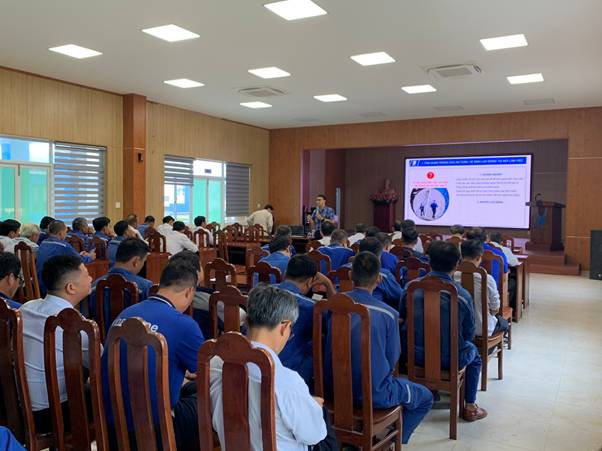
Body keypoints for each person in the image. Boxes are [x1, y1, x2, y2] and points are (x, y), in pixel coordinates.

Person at [325, 252, 433, 444]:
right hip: (375, 394)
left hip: (331, 390)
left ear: (350, 275)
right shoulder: (388, 314)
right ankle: (390, 444)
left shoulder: (330, 307)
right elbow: (392, 360)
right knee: (425, 397)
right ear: (379, 280)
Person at [209, 284, 329, 450]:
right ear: (284, 327)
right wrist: (310, 406)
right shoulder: (287, 381)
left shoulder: (216, 363)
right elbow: (314, 435)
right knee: (324, 424)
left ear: (248, 320)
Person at [101, 262, 204, 451]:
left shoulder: (126, 313)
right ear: (190, 291)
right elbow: (204, 372)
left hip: (113, 423)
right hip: (157, 429)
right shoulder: (184, 324)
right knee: (209, 398)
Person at [402, 241, 487, 422]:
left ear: (429, 262)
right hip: (451, 359)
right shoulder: (461, 295)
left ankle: (430, 389)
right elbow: (469, 333)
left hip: (413, 355)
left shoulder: (411, 288)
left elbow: (403, 318)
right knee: (474, 354)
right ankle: (470, 406)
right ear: (457, 265)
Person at [20, 255, 93, 432]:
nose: (91, 278)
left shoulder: (26, 308)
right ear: (71, 287)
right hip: (52, 414)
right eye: (86, 274)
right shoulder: (76, 325)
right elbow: (101, 365)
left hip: (19, 405)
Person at [276, 255, 335, 386]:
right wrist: (328, 284)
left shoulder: (260, 291)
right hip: (289, 372)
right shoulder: (311, 307)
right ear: (309, 282)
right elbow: (335, 322)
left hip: (256, 363)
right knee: (324, 338)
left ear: (285, 273)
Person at [90, 238, 153, 327]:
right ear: (136, 261)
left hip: (103, 335)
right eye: (143, 262)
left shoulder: (94, 285)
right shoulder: (145, 286)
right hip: (134, 335)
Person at [454, 240, 509, 336]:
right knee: (504, 323)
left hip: (458, 329)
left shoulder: (453, 276)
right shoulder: (487, 279)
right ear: (479, 257)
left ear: (461, 256)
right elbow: (495, 309)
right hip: (483, 330)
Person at [345, 238, 403, 312]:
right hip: (379, 311)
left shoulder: (344, 269)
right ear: (379, 256)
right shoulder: (384, 275)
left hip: (344, 307)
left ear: (358, 251)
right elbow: (399, 295)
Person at [36, 220, 95, 295]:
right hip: (53, 287)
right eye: (65, 232)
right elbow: (80, 260)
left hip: (40, 283)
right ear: (60, 233)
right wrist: (90, 256)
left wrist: (79, 255)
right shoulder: (63, 245)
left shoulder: (43, 243)